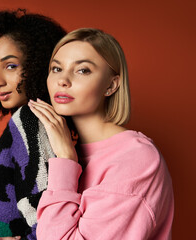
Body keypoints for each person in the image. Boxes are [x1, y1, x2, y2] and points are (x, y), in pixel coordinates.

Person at [29, 28, 174, 239]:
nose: (63, 80)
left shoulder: (136, 159)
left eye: (82, 70)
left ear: (111, 85)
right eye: (56, 68)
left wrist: (66, 159)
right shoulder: (50, 145)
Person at [0, 9, 66, 239]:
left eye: (10, 66)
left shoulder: (30, 119)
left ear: (37, 65)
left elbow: (45, 212)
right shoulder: (26, 119)